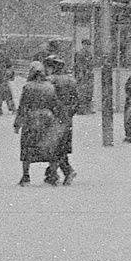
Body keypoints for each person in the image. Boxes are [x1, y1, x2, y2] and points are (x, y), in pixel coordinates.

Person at [13, 61, 61, 186]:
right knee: (50, 147)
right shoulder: (50, 87)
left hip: (31, 119)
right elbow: (55, 105)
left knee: (28, 147)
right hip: (47, 119)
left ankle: (26, 175)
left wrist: (18, 123)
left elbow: (23, 106)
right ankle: (53, 174)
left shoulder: (28, 87)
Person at [44, 56, 78, 184]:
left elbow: (47, 99)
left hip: (54, 116)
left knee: (54, 145)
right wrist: (69, 112)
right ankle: (57, 171)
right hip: (67, 117)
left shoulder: (50, 81)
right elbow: (76, 100)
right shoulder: (71, 81)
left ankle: (60, 171)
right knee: (61, 145)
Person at [73, 39, 96, 115]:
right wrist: (81, 74)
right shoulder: (80, 54)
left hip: (88, 75)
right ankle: (81, 109)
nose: (87, 47)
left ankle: (87, 109)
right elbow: (79, 65)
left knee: (89, 92)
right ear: (83, 45)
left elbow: (91, 64)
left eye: (88, 45)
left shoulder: (89, 54)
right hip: (82, 75)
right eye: (86, 45)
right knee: (82, 92)